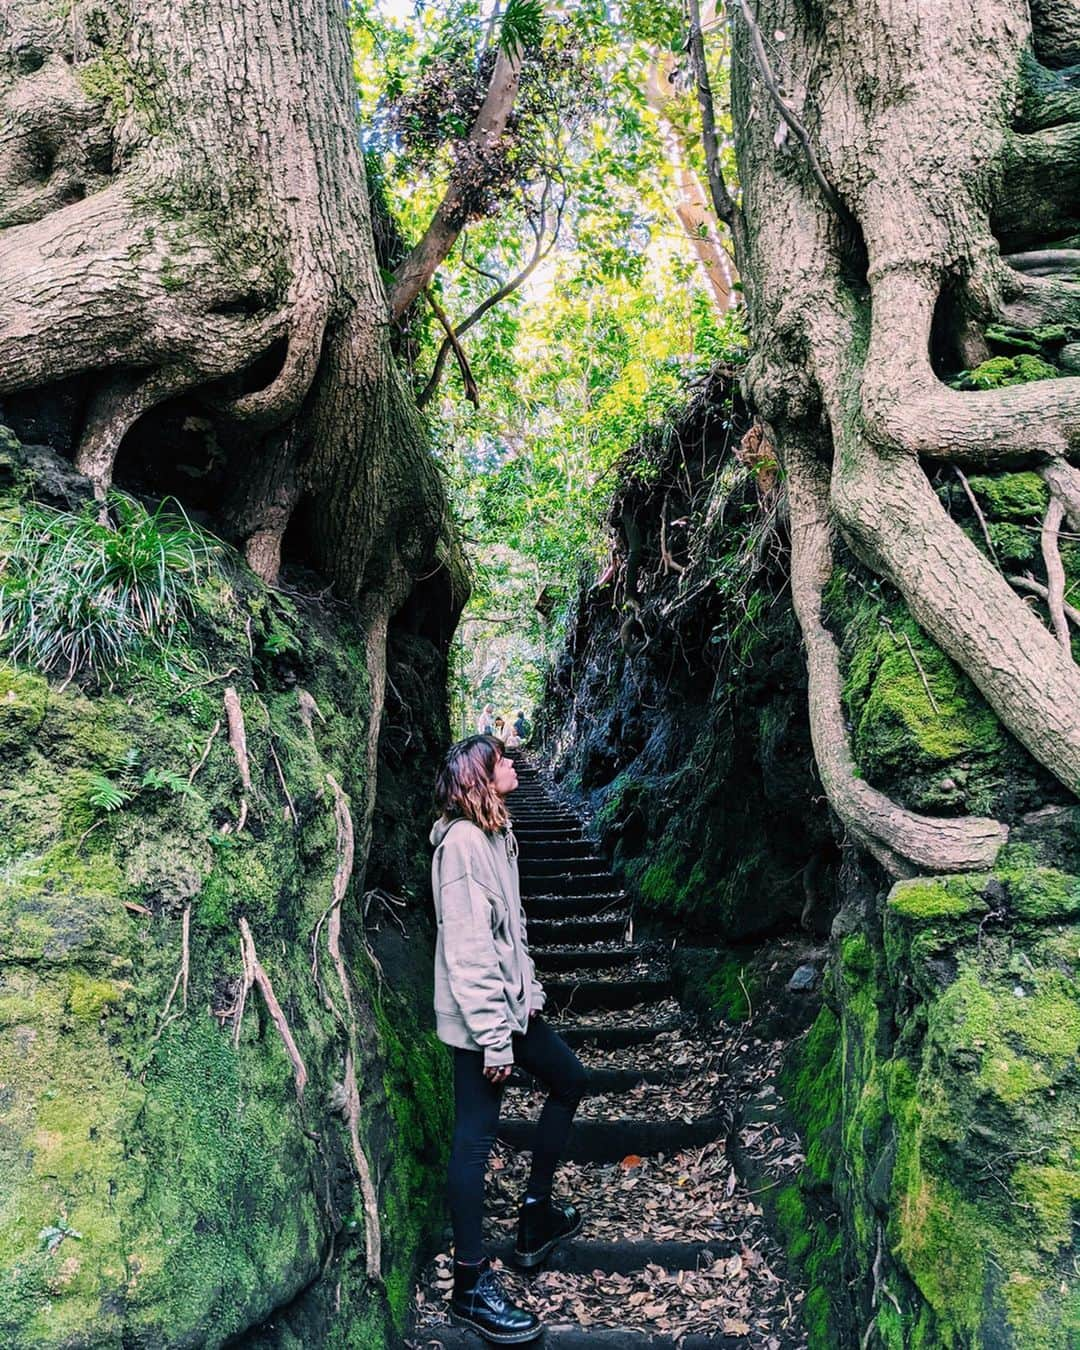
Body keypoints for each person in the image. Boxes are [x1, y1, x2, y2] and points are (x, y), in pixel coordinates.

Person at [431, 735, 589, 1344]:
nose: (515, 765)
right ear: (481, 776)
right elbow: (467, 952)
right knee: (474, 1141)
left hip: (511, 1007)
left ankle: (535, 1216)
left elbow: (507, 931)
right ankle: (468, 1287)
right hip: (483, 1020)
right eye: (503, 760)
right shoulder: (463, 845)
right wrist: (495, 1040)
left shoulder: (496, 834)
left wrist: (527, 995)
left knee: (570, 1078)